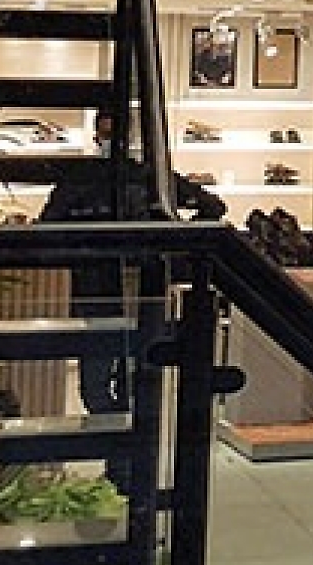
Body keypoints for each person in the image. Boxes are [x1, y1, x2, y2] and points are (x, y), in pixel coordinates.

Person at [40, 117, 225, 415]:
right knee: (132, 375)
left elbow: (48, 226)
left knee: (103, 378)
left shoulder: (86, 178)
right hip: (136, 286)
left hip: (106, 287)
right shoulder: (144, 177)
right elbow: (212, 206)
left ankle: (119, 442)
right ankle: (126, 442)